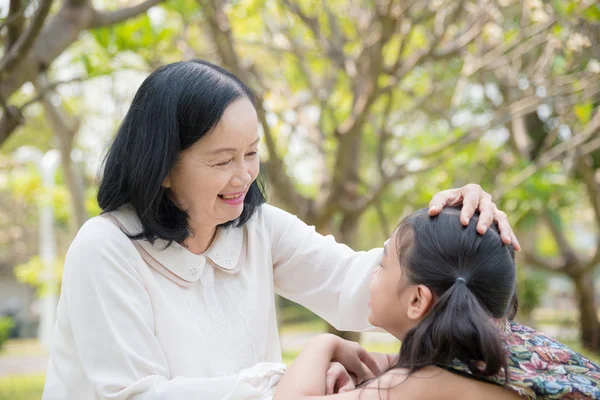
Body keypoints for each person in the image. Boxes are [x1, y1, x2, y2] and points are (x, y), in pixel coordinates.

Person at [41, 60, 518, 399]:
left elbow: (362, 284)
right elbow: (135, 395)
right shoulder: (106, 249)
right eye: (222, 160)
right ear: (162, 166)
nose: (245, 175)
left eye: (251, 152)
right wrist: (291, 380)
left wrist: (460, 240)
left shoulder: (256, 228)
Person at [275, 207, 600, 399]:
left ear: (417, 300)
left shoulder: (425, 383)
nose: (371, 272)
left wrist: (324, 344)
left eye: (382, 265)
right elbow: (402, 365)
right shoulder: (497, 337)